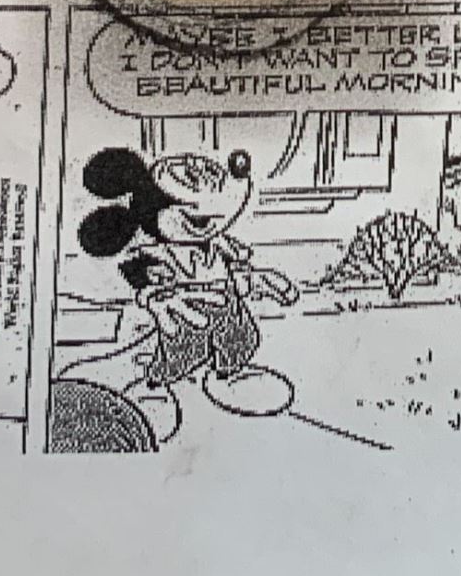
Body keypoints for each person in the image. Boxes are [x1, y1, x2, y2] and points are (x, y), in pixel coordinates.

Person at [70, 145, 300, 444]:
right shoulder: (157, 253)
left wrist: (258, 280)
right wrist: (159, 300)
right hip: (187, 311)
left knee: (240, 338)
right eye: (200, 221)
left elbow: (235, 267)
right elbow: (140, 280)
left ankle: (229, 372)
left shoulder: (219, 244)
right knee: (181, 352)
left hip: (227, 303)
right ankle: (154, 387)